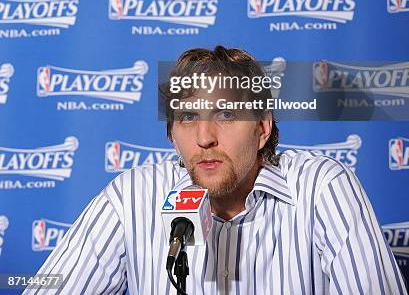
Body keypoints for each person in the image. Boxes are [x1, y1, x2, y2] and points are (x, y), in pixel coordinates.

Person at [27, 46, 406, 294]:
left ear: (261, 128)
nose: (204, 137)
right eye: (188, 116)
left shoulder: (321, 187)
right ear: (172, 136)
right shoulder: (132, 198)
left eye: (226, 114)